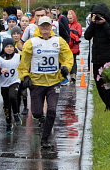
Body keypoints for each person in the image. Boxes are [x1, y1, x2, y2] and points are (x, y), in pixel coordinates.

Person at [18, 16, 73, 148]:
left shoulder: (58, 41)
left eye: (47, 26)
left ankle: (45, 138)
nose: (45, 28)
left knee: (52, 110)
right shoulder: (31, 43)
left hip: (54, 81)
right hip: (37, 82)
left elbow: (68, 56)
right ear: (38, 26)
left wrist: (66, 67)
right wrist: (25, 76)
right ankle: (42, 120)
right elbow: (24, 61)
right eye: (42, 26)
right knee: (36, 113)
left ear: (51, 27)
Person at [84, 4, 110, 111]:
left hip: (108, 60)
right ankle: (107, 105)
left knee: (107, 85)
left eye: (99, 15)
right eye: (95, 15)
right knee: (98, 84)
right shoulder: (94, 25)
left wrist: (104, 24)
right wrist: (93, 23)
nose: (97, 17)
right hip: (96, 59)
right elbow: (87, 36)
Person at [0, 38, 22, 134]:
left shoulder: (18, 57)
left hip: (15, 81)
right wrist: (0, 71)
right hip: (4, 84)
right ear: (3, 48)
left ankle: (16, 113)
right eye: (7, 47)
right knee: (6, 106)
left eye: (11, 46)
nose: (9, 49)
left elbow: (25, 65)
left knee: (13, 96)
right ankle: (8, 123)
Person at [67, 10, 83, 83]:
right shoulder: (66, 24)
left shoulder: (77, 25)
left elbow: (79, 34)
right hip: (67, 45)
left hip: (74, 46)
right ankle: (69, 75)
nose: (69, 20)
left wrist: (72, 33)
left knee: (73, 60)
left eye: (71, 18)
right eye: (68, 18)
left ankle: (73, 75)